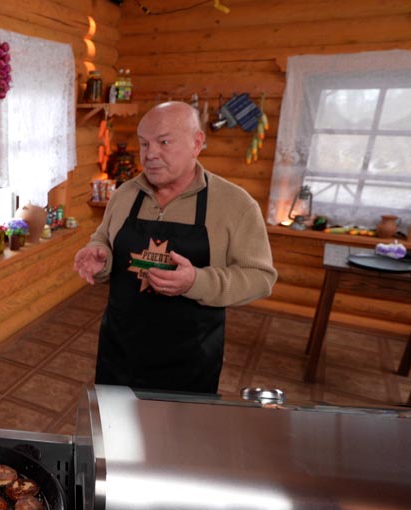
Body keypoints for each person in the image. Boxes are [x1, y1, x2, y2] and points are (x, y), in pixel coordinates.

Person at [73, 101, 276, 394]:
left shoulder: (237, 205)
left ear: (197, 143)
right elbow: (103, 238)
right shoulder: (124, 194)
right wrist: (99, 256)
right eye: (144, 143)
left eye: (164, 142)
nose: (150, 154)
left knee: (179, 437)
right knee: (116, 433)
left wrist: (197, 281)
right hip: (119, 351)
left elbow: (260, 277)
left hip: (190, 360)